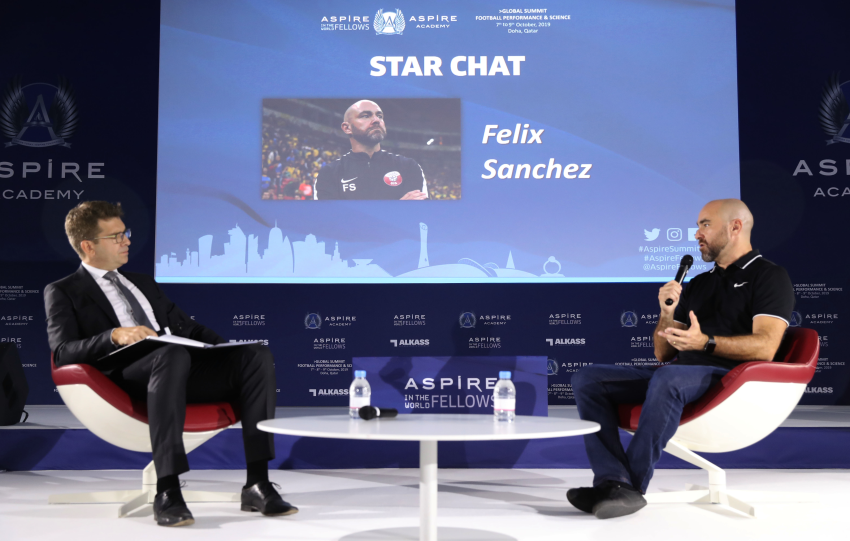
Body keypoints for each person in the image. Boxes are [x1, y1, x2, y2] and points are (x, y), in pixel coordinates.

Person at [44, 201, 297, 527]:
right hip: (126, 378)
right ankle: (168, 490)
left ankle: (257, 483)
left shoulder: (142, 282)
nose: (127, 241)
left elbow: (187, 328)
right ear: (88, 246)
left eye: (126, 233)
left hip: (176, 367)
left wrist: (223, 348)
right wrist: (115, 336)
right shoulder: (63, 291)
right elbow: (63, 352)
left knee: (255, 356)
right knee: (171, 354)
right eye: (116, 236)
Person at [568, 199, 794, 519]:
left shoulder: (769, 276)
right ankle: (612, 480)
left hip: (731, 379)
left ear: (735, 227)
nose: (697, 234)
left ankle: (630, 486)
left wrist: (706, 342)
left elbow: (766, 347)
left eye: (705, 224)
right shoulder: (699, 283)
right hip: (680, 375)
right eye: (698, 225)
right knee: (588, 379)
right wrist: (667, 312)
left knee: (669, 377)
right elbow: (663, 354)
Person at [313, 99, 429, 200]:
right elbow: (330, 221)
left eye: (379, 116)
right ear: (347, 128)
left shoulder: (409, 167)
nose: (376, 120)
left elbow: (419, 215)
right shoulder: (329, 173)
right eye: (365, 116)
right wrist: (398, 207)